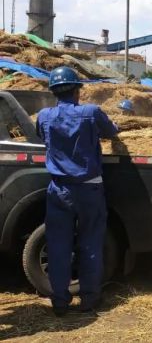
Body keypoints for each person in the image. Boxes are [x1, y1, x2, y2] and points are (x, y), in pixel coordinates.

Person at [36, 66, 118, 316]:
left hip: (59, 189)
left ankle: (60, 301)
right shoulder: (91, 112)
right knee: (90, 242)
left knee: (58, 245)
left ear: (54, 92)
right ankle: (89, 299)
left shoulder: (44, 116)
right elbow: (112, 131)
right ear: (77, 91)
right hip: (89, 188)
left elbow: (41, 137)